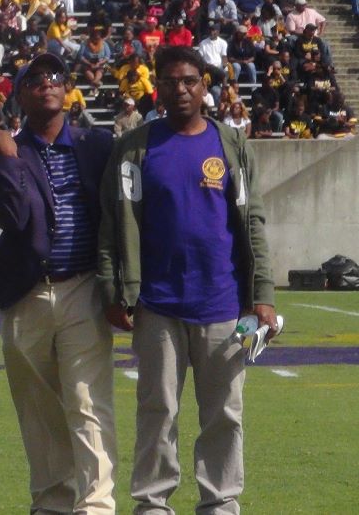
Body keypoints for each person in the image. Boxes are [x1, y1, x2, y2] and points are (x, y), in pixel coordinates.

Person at [99, 46, 277, 515]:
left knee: (224, 414)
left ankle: (220, 502)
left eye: (190, 81)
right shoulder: (134, 148)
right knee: (157, 411)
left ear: (205, 87)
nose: (180, 89)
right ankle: (153, 503)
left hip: (223, 303)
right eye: (171, 80)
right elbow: (112, 225)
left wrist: (262, 297)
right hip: (157, 304)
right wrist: (114, 290)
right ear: (157, 86)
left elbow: (252, 223)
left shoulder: (231, 145)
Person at [0, 53, 116, 514]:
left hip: (83, 287)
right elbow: (13, 218)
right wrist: (9, 160)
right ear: (20, 94)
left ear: (68, 89)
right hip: (26, 292)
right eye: (34, 79)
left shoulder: (98, 146)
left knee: (88, 403)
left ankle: (95, 506)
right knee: (38, 410)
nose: (46, 84)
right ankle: (52, 504)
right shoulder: (4, 150)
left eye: (54, 77)